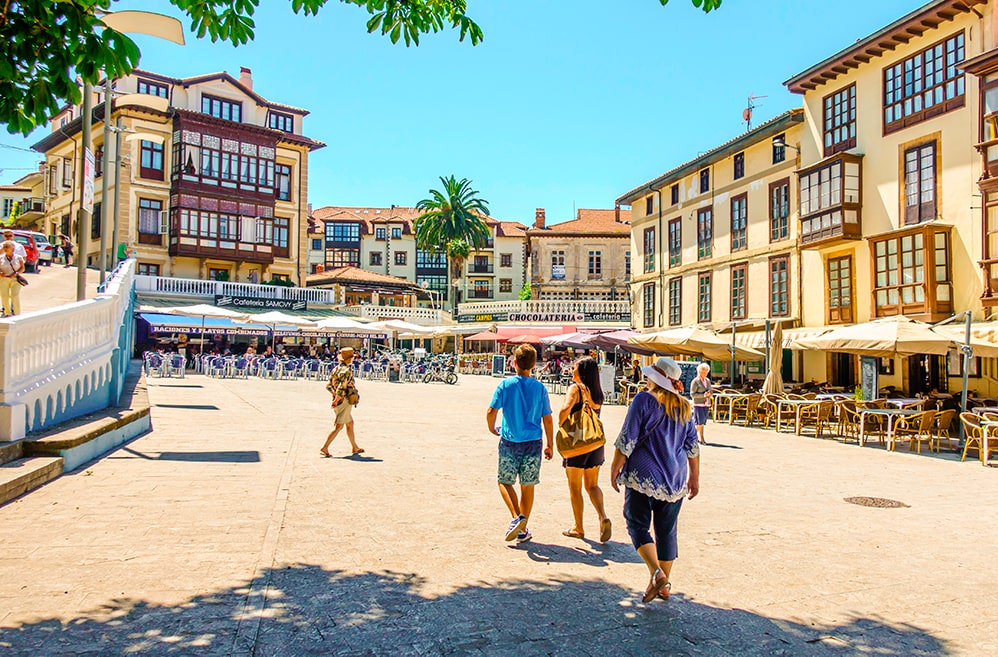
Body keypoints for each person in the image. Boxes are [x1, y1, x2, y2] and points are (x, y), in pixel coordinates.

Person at [610, 356, 700, 603]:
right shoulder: (685, 407)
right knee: (667, 531)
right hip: (675, 477)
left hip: (644, 474)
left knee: (636, 523)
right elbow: (693, 447)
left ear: (655, 379)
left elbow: (628, 437)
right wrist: (694, 478)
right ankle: (664, 585)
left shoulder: (643, 400)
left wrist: (615, 467)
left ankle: (656, 572)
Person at [486, 343, 554, 545]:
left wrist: (492, 428)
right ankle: (523, 529)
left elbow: (491, 411)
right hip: (533, 442)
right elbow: (548, 419)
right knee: (528, 485)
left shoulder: (505, 385)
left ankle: (517, 517)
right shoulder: (540, 388)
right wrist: (550, 444)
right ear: (533, 365)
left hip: (510, 441)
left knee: (504, 481)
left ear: (514, 363)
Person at [559, 356, 612, 543]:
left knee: (575, 487)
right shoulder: (597, 392)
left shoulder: (576, 388)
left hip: (577, 444)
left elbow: (565, 410)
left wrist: (561, 423)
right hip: (595, 444)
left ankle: (578, 527)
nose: (572, 369)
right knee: (592, 485)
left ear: (581, 371)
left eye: (574, 367)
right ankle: (603, 516)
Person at [321, 347, 364, 457]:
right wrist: (337, 398)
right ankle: (325, 447)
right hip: (344, 400)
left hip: (339, 399)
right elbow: (342, 386)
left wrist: (334, 395)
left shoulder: (336, 369)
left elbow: (328, 386)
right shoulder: (347, 370)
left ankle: (354, 447)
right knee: (338, 426)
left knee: (350, 423)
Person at [0, 240, 26, 317]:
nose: (5, 249)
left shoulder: (19, 257)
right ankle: (7, 313)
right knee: (4, 296)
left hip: (15, 279)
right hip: (3, 279)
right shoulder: (1, 258)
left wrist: (16, 274)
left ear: (12, 248)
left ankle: (17, 313)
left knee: (15, 295)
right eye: (4, 247)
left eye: (7, 247)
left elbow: (22, 268)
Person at [689, 363, 713, 445]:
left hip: (706, 404)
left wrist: (709, 394)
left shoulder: (707, 380)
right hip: (698, 404)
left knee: (702, 423)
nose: (704, 373)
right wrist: (703, 395)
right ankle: (690, 437)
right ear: (699, 371)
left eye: (706, 371)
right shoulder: (695, 381)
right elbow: (692, 394)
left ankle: (700, 438)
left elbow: (711, 391)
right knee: (699, 423)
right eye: (703, 371)